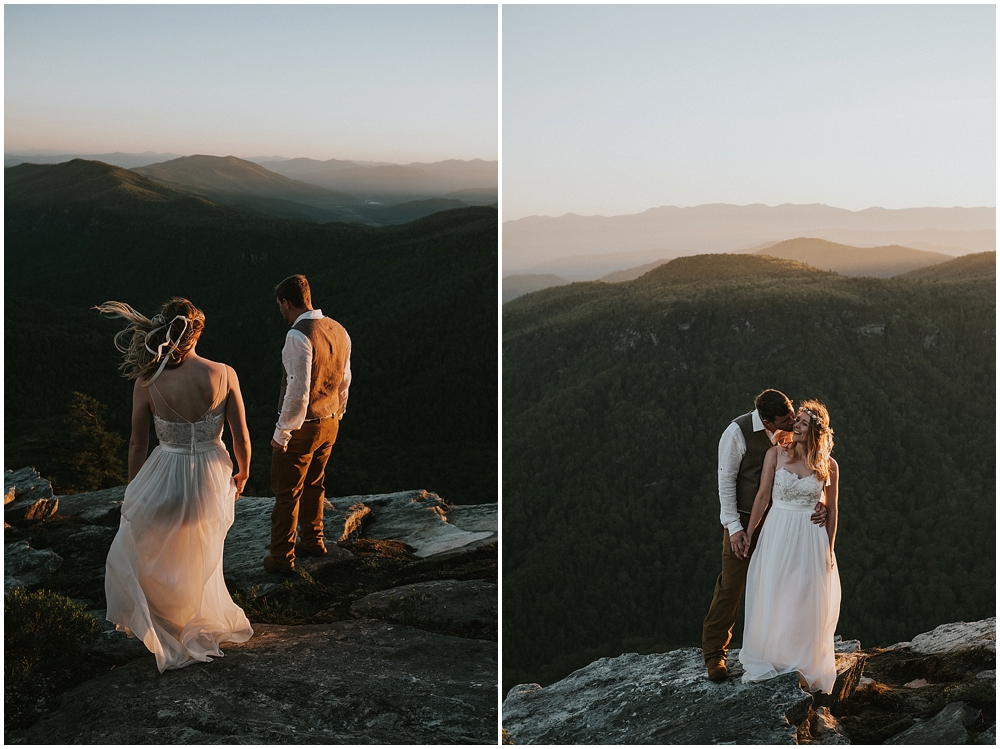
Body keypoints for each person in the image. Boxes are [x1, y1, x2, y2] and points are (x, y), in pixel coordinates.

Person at [98, 298, 253, 673]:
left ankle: (165, 618)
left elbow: (137, 443)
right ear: (197, 332)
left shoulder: (146, 381)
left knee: (157, 547)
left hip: (166, 470)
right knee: (203, 547)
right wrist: (243, 472)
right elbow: (241, 436)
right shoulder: (224, 373)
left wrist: (135, 487)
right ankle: (199, 615)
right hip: (211, 476)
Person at [701, 389, 826, 683]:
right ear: (768, 423)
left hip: (783, 521)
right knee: (731, 586)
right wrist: (734, 529)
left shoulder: (790, 432)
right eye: (786, 419)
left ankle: (782, 651)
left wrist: (818, 503)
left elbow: (809, 469)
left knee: (782, 586)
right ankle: (714, 654)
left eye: (794, 414)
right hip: (745, 519)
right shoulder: (736, 433)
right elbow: (725, 481)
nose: (794, 421)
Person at [739, 401, 841, 693]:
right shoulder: (776, 454)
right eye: (796, 420)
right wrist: (748, 533)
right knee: (777, 590)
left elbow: (832, 510)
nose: (795, 426)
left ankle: (801, 659)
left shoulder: (828, 465)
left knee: (804, 596)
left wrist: (829, 551)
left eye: (803, 423)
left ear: (815, 432)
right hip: (777, 531)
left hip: (810, 536)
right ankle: (775, 655)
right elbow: (762, 498)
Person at [264, 274, 351, 574]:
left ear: (287, 303)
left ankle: (281, 557)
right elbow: (344, 380)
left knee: (286, 493)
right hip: (329, 422)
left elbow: (297, 391)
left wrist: (282, 433)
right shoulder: (339, 330)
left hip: (303, 426)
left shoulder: (297, 335)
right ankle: (314, 541)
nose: (281, 311)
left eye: (280, 305)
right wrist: (338, 414)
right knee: (315, 483)